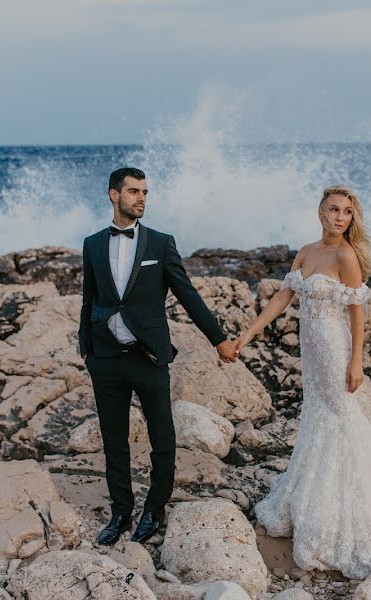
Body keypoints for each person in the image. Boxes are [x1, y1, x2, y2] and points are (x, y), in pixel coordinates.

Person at [234, 186, 371, 581]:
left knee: (343, 417)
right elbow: (282, 298)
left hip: (336, 350)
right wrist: (247, 335)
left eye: (347, 213)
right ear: (321, 211)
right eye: (334, 209)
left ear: (352, 219)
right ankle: (314, 492)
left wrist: (356, 362)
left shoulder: (345, 256)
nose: (340, 217)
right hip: (311, 352)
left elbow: (358, 316)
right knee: (317, 415)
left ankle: (359, 505)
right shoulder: (306, 251)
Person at [78, 167, 238, 546]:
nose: (141, 198)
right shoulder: (93, 244)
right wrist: (86, 347)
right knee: (114, 440)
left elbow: (187, 295)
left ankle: (154, 508)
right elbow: (90, 298)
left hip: (149, 357)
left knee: (162, 438)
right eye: (133, 191)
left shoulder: (160, 243)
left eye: (145, 192)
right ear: (113, 195)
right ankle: (120, 512)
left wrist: (219, 340)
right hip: (105, 358)